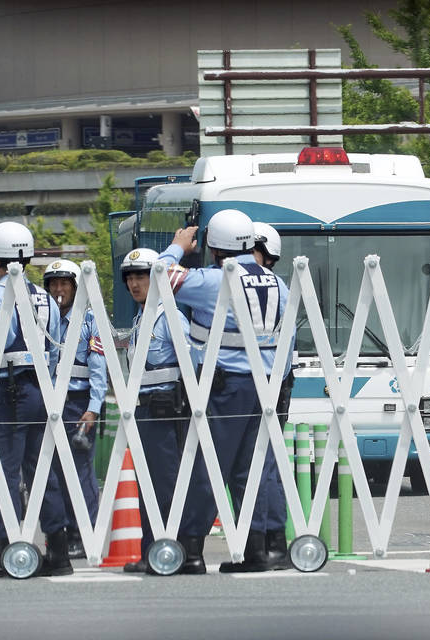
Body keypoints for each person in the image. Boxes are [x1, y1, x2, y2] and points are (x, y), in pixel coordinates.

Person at [159, 209, 289, 574]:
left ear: (215, 250)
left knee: (207, 466)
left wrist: (176, 247)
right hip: (265, 387)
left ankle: (192, 549)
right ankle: (259, 550)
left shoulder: (216, 281)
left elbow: (162, 279)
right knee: (253, 469)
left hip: (225, 385)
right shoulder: (278, 284)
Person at [0, 221, 71, 578]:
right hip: (40, 390)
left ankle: (7, 550)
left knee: (1, 472)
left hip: (8, 391)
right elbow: (53, 350)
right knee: (41, 471)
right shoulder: (46, 297)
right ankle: (59, 551)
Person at [118, 248, 191, 574]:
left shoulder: (169, 315)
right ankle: (152, 551)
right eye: (130, 278)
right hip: (145, 413)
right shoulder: (141, 319)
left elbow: (191, 364)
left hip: (167, 412)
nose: (135, 284)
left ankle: (172, 551)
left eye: (141, 276)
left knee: (166, 486)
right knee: (148, 485)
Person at [43, 259, 106, 560]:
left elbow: (98, 368)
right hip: (52, 406)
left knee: (80, 472)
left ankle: (85, 533)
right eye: (53, 284)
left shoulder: (90, 321)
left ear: (75, 287)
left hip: (80, 406)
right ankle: (64, 533)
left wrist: (93, 409)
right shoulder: (41, 319)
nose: (58, 289)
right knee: (54, 473)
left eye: (64, 283)